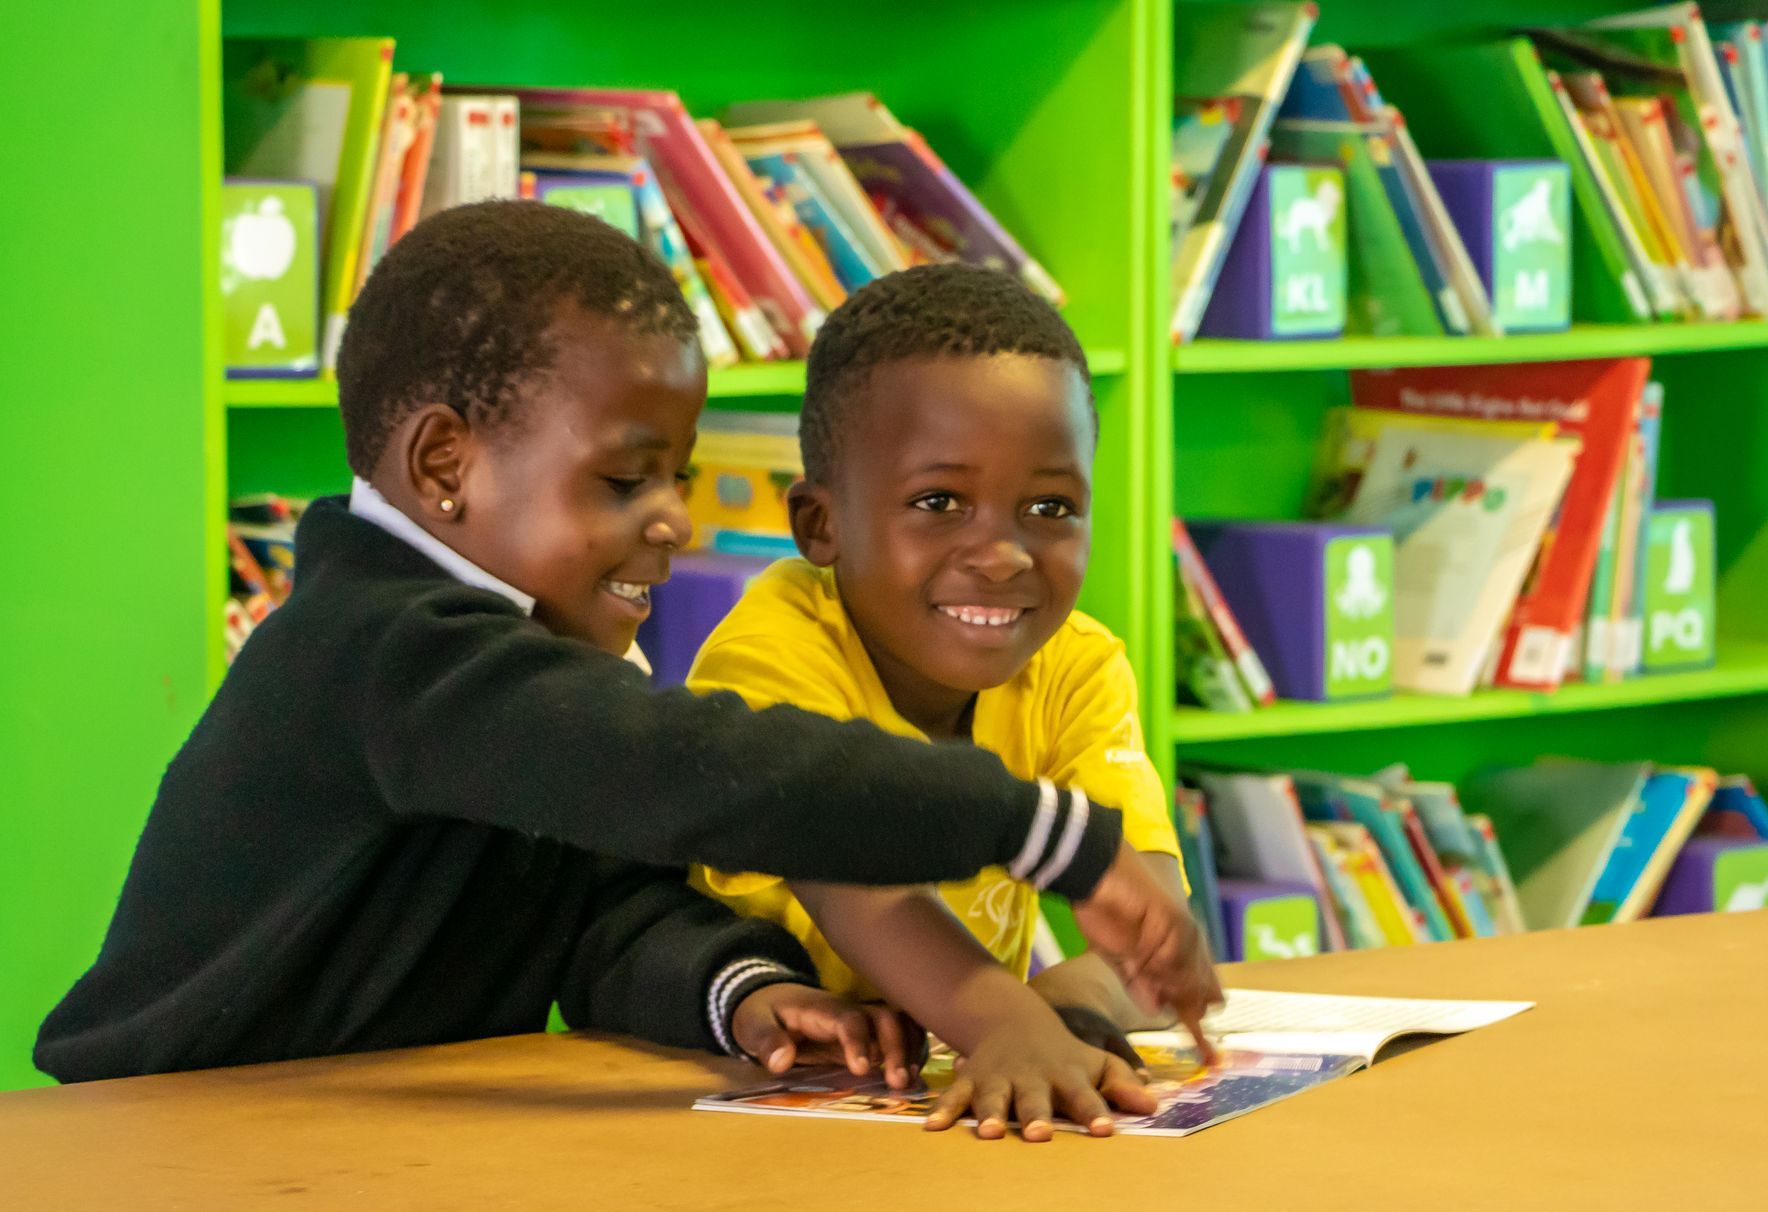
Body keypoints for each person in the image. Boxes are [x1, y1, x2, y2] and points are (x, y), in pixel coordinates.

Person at [36, 203, 1216, 1139]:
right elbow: (697, 774)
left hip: (341, 1141)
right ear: (445, 462)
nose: (673, 524)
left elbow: (599, 919)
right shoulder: (384, 653)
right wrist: (1043, 831)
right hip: (155, 1141)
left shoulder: (521, 671)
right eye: (624, 481)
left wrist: (746, 993)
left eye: (679, 480)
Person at [686, 264, 1215, 1136]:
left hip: (930, 1109)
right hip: (734, 1098)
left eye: (1050, 506)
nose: (1003, 554)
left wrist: (1066, 1015)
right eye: (939, 502)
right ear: (821, 524)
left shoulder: (1077, 664)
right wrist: (1008, 1022)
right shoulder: (773, 653)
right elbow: (847, 861)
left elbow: (1146, 925)